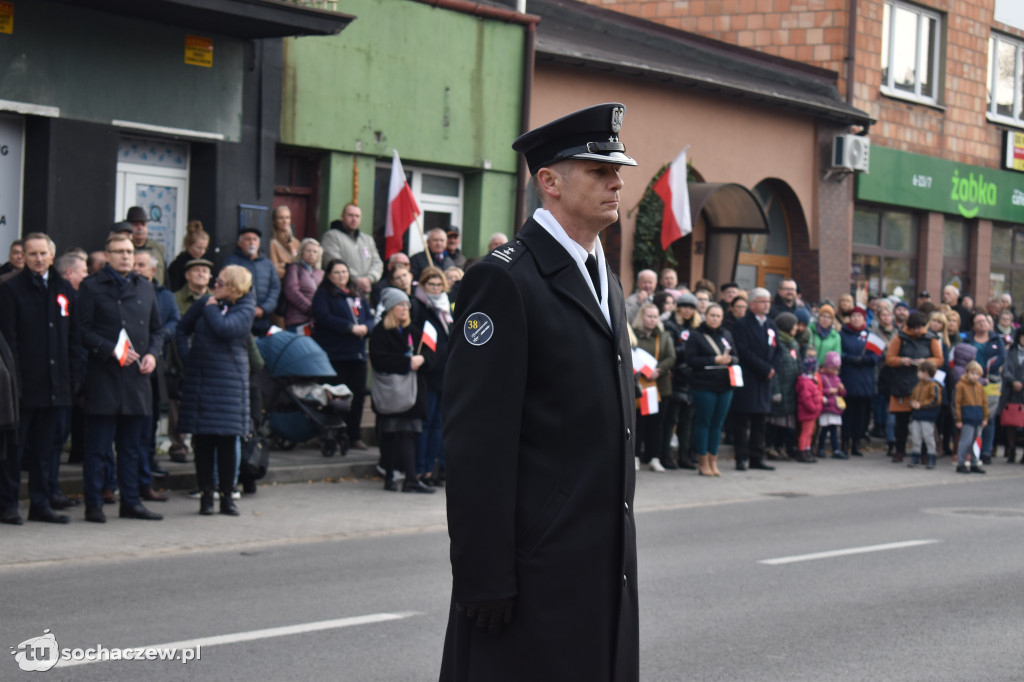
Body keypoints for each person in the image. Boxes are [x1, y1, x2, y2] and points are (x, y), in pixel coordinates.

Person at [440, 103, 638, 681]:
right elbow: (477, 441)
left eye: (617, 169)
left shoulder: (605, 278)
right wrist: (483, 576)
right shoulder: (506, 279)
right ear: (548, 182)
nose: (617, 181)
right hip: (533, 569)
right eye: (599, 170)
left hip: (600, 564)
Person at [78, 233, 165, 523]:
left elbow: (157, 330)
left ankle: (130, 502)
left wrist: (153, 353)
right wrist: (110, 350)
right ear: (107, 256)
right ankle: (94, 504)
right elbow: (82, 331)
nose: (125, 256)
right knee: (98, 448)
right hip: (104, 378)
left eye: (129, 251)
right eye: (119, 251)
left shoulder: (145, 287)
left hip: (137, 380)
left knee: (132, 448)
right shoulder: (91, 287)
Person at [0, 234, 81, 525]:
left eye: (42, 253)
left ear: (52, 255)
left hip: (56, 386)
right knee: (14, 451)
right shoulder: (10, 290)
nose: (37, 258)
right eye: (31, 253)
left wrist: (74, 376)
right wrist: (14, 383)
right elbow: (8, 342)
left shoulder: (64, 289)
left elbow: (74, 337)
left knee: (47, 450)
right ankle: (8, 504)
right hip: (23, 388)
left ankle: (41, 503)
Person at [176, 265, 255, 515]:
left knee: (227, 441)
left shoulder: (244, 308)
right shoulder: (205, 303)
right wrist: (187, 358)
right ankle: (206, 497)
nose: (214, 284)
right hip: (201, 381)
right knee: (203, 442)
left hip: (229, 385)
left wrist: (210, 307)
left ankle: (227, 497)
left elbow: (225, 329)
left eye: (220, 282)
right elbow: (181, 329)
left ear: (233, 287)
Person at [369, 288, 434, 493]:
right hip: (390, 394)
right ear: (390, 309)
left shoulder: (414, 331)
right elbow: (379, 359)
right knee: (389, 435)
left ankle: (411, 479)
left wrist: (422, 359)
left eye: (407, 305)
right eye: (400, 305)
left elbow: (429, 353)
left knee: (408, 434)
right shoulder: (380, 332)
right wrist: (406, 362)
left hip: (411, 395)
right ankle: (389, 476)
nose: (405, 309)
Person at [312, 259, 372, 450]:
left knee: (358, 395)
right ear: (329, 276)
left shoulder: (357, 294)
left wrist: (365, 327)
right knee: (336, 397)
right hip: (335, 354)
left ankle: (354, 435)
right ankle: (334, 436)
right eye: (337, 272)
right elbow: (322, 317)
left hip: (357, 354)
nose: (341, 276)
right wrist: (348, 328)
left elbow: (370, 318)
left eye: (344, 272)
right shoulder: (323, 294)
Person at [133, 249, 178, 492]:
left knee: (150, 421)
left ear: (153, 270)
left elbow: (172, 323)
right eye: (135, 264)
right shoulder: (128, 292)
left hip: (155, 364)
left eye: (142, 265)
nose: (137, 268)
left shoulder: (165, 296)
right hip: (129, 364)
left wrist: (158, 339)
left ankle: (148, 465)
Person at [410, 266, 453, 485]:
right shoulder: (418, 306)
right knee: (425, 423)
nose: (435, 289)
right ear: (423, 285)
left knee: (438, 424)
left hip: (445, 373)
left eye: (438, 285)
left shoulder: (446, 308)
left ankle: (430, 470)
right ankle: (418, 470)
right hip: (427, 373)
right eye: (430, 284)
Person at [730, 287, 781, 471]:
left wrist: (772, 367)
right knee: (743, 421)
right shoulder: (742, 325)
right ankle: (741, 457)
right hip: (749, 378)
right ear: (752, 304)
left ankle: (756, 456)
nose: (766, 305)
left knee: (760, 421)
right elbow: (743, 351)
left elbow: (778, 349)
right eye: (762, 301)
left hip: (765, 380)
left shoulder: (771, 325)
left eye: (768, 301)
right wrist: (764, 367)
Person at [686, 302, 737, 476]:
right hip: (704, 385)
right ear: (705, 316)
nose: (715, 319)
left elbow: (736, 356)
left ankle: (713, 459)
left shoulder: (727, 335)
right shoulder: (696, 335)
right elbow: (691, 360)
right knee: (704, 422)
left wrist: (730, 360)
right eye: (712, 315)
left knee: (718, 424)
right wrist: (714, 360)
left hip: (725, 385)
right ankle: (702, 461)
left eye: (718, 316)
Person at [885, 312, 944, 463]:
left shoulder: (931, 338)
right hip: (902, 384)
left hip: (924, 385)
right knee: (901, 422)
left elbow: (939, 359)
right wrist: (901, 360)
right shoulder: (900, 337)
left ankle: (924, 452)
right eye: (914, 328)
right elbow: (889, 358)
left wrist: (926, 361)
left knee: (923, 422)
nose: (917, 331)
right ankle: (899, 450)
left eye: (920, 328)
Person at [632, 302, 675, 472]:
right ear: (642, 317)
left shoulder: (663, 336)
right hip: (639, 386)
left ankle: (654, 457)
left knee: (657, 425)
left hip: (659, 387)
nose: (652, 320)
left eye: (655, 317)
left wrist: (658, 370)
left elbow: (671, 357)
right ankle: (635, 456)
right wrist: (642, 371)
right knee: (638, 424)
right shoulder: (634, 335)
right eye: (649, 316)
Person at [661, 292, 700, 469]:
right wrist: (688, 349)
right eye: (685, 306)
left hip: (691, 378)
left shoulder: (695, 327)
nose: (688, 310)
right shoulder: (669, 325)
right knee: (670, 422)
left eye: (691, 307)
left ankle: (684, 456)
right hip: (674, 377)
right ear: (678, 307)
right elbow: (670, 351)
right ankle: (665, 456)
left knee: (687, 421)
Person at [220, 227, 280, 336]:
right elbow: (225, 287)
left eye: (255, 239)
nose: (252, 242)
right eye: (248, 239)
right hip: (238, 318)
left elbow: (275, 289)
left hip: (263, 321)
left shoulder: (268, 264)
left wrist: (263, 309)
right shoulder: (231, 261)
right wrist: (245, 310)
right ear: (240, 243)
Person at [839, 306, 878, 457]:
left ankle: (857, 444)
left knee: (860, 415)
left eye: (859, 316)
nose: (856, 319)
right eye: (853, 316)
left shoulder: (870, 336)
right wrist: (850, 358)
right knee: (847, 414)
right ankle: (845, 444)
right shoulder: (843, 334)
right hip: (848, 378)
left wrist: (864, 359)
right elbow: (839, 353)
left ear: (864, 319)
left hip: (864, 381)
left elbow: (876, 356)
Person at [320, 204, 384, 297]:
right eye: (350, 215)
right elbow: (332, 262)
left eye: (357, 216)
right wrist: (357, 280)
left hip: (365, 292)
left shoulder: (367, 239)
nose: (354, 219)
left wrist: (369, 279)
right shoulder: (331, 236)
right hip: (341, 292)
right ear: (342, 216)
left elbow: (377, 263)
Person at [768, 312, 805, 462]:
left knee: (786, 422)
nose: (796, 328)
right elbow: (774, 368)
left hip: (791, 388)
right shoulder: (777, 344)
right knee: (776, 421)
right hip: (781, 388)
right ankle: (771, 446)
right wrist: (775, 390)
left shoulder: (794, 343)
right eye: (794, 325)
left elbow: (798, 363)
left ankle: (781, 446)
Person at [282, 238, 324, 332]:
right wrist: (311, 309)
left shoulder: (321, 273)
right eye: (308, 250)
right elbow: (291, 291)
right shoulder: (294, 268)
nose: (311, 254)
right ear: (301, 252)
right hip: (298, 320)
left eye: (315, 251)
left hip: (317, 321)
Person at [954, 360, 988, 474]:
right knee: (965, 442)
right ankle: (961, 463)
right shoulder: (960, 385)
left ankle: (974, 463)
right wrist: (958, 419)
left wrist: (985, 418)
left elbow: (984, 403)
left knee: (976, 442)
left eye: (977, 374)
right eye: (972, 373)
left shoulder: (980, 387)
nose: (975, 376)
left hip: (978, 419)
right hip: (967, 419)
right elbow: (956, 403)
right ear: (967, 373)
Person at [907, 360, 942, 469]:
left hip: (927, 416)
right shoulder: (919, 385)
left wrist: (921, 405)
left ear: (925, 372)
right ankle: (915, 457)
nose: (918, 374)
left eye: (919, 371)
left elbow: (935, 400)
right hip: (917, 415)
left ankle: (931, 457)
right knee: (916, 437)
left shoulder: (934, 385)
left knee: (928, 437)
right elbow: (913, 396)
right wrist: (912, 403)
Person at [999, 326, 1024, 463]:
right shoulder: (1011, 352)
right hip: (1010, 391)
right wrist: (1013, 381)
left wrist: (1021, 383)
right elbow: (1005, 368)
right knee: (1011, 421)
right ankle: (1011, 449)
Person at [125, 206, 167, 285]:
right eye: (136, 224)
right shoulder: (124, 249)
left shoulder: (158, 248)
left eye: (143, 224)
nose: (140, 228)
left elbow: (166, 277)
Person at [166, 221, 212, 292]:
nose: (202, 252)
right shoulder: (177, 266)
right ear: (188, 245)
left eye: (205, 248)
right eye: (199, 248)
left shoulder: (206, 263)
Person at [795, 350, 823, 463]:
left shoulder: (811, 381)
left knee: (809, 433)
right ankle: (802, 451)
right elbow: (806, 399)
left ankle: (807, 449)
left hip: (812, 412)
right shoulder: (806, 382)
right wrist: (814, 408)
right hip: (808, 412)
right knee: (805, 433)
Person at [817, 351, 846, 458]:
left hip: (835, 407)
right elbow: (819, 390)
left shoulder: (837, 378)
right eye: (833, 368)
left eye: (837, 369)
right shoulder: (822, 377)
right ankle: (821, 448)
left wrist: (842, 390)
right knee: (824, 430)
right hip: (827, 407)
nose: (835, 371)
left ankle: (836, 449)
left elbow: (842, 394)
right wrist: (828, 391)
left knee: (834, 430)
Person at [269, 206, 301, 279]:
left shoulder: (296, 242)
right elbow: (275, 270)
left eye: (287, 217)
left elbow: (302, 265)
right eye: (280, 218)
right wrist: (291, 268)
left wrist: (285, 265)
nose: (285, 221)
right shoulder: (272, 243)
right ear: (274, 221)